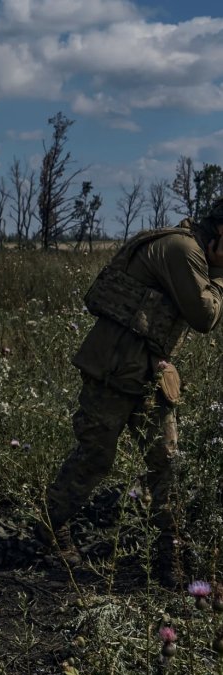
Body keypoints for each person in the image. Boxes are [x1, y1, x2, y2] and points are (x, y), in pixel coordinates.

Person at [37, 201, 223, 587]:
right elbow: (205, 316)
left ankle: (170, 554)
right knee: (94, 457)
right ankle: (50, 529)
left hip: (150, 376)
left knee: (167, 464)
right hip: (114, 371)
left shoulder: (194, 252)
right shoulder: (182, 249)